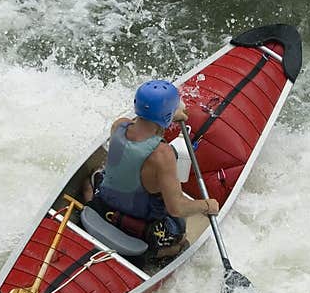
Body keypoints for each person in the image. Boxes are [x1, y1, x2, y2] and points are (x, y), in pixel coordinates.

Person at [85, 79, 219, 261]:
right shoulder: (162, 155)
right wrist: (206, 205)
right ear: (166, 116)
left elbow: (140, 131)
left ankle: (88, 197)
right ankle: (162, 253)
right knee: (178, 232)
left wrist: (169, 115)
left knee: (95, 176)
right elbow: (176, 208)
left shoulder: (119, 125)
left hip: (104, 204)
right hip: (137, 227)